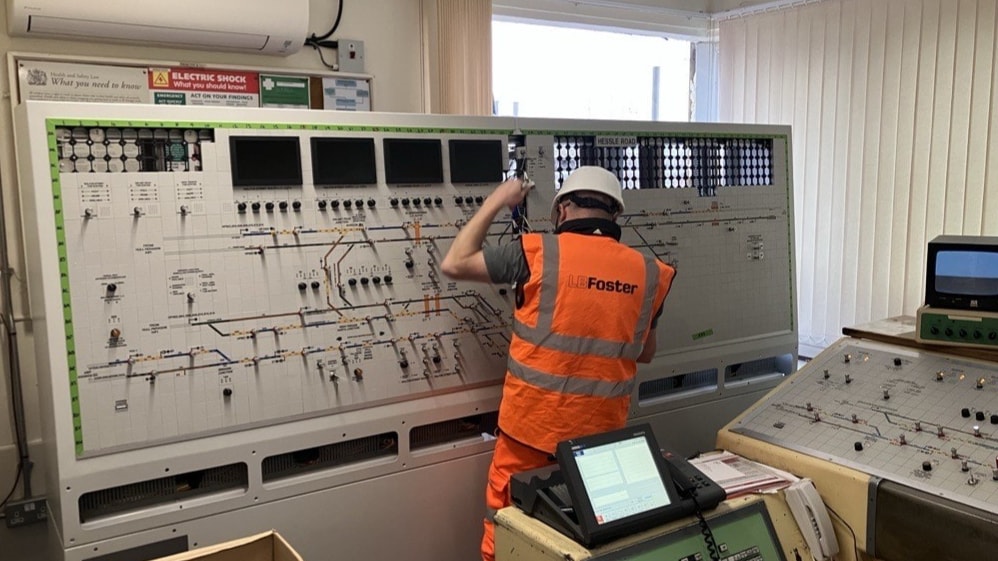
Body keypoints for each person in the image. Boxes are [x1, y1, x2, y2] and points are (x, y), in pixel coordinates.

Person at [440, 166, 676, 561]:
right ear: (614, 214)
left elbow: (455, 262)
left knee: (507, 540)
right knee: (583, 543)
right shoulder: (649, 273)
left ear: (563, 210)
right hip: (599, 446)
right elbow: (646, 351)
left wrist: (500, 198)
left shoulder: (536, 253)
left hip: (528, 440)